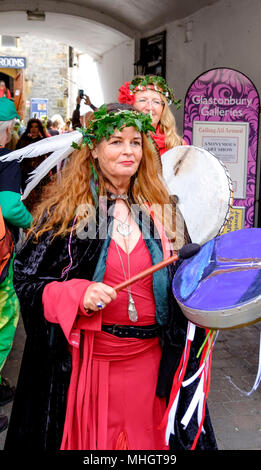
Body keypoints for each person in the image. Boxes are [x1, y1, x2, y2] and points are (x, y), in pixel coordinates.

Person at [4, 103, 217, 451]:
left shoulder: (161, 207)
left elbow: (186, 274)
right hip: (92, 369)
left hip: (152, 366)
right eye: (116, 141)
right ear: (94, 147)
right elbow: (27, 281)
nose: (128, 151)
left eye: (135, 142)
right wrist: (76, 294)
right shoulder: (68, 214)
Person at [0, 97, 32, 433]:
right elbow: (9, 206)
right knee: (2, 323)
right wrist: (32, 221)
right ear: (8, 129)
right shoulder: (6, 159)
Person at [118, 75, 184, 173]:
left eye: (156, 102)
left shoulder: (178, 144)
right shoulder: (119, 140)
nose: (149, 107)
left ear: (163, 108)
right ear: (130, 105)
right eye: (143, 100)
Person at [16, 118, 49, 212]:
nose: (33, 129)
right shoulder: (23, 140)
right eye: (31, 127)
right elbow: (17, 156)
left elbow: (51, 156)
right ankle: (28, 221)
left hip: (40, 175)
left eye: (36, 127)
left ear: (39, 129)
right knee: (27, 198)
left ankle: (38, 220)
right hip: (25, 175)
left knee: (39, 200)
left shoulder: (43, 141)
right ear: (28, 128)